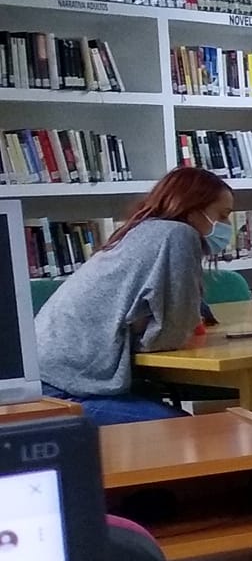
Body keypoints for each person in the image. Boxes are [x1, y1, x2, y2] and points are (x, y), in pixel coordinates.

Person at [35, 165, 233, 426]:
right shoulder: (178, 235)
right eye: (223, 215)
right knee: (193, 433)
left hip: (50, 375)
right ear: (194, 208)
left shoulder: (142, 230)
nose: (228, 225)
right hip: (66, 389)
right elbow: (172, 334)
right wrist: (150, 335)